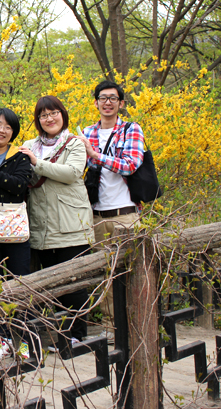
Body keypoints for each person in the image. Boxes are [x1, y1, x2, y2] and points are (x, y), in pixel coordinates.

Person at [19, 95, 94, 343]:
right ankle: (52, 336)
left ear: (63, 115)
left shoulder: (75, 143)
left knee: (72, 284)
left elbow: (71, 173)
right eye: (43, 115)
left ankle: (76, 336)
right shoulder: (30, 145)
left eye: (53, 113)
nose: (49, 118)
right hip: (39, 225)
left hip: (69, 224)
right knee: (45, 284)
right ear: (38, 120)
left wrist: (36, 163)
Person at [76, 80, 144, 331]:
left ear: (121, 103)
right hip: (96, 215)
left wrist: (95, 155)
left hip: (125, 215)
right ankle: (111, 327)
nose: (107, 102)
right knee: (105, 274)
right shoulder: (87, 132)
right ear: (95, 102)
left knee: (131, 271)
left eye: (113, 98)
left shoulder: (131, 130)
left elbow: (130, 164)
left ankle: (137, 323)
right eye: (102, 98)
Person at [0, 108, 34, 362]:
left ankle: (26, 346)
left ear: (13, 132)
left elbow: (19, 186)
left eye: (7, 127)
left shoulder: (19, 156)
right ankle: (3, 342)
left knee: (20, 288)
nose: (1, 130)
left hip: (16, 234)